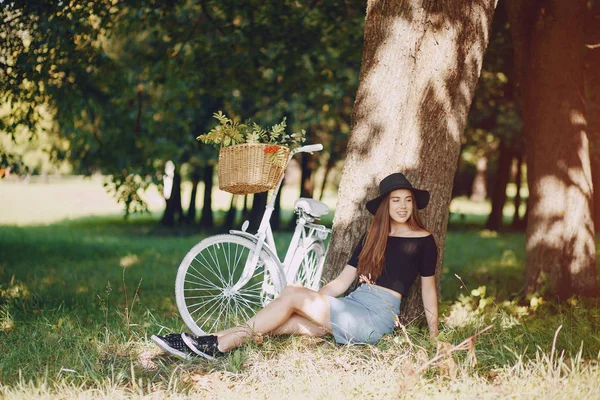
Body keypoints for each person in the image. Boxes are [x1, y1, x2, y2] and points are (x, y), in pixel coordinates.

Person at [152, 172, 439, 360]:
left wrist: (435, 337)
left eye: (408, 200)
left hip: (375, 319)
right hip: (352, 305)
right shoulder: (372, 237)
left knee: (292, 293)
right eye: (396, 200)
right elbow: (341, 283)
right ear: (386, 206)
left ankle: (216, 346)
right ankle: (206, 342)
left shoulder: (425, 241)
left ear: (414, 204)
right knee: (283, 322)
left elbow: (428, 290)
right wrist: (313, 302)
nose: (402, 206)